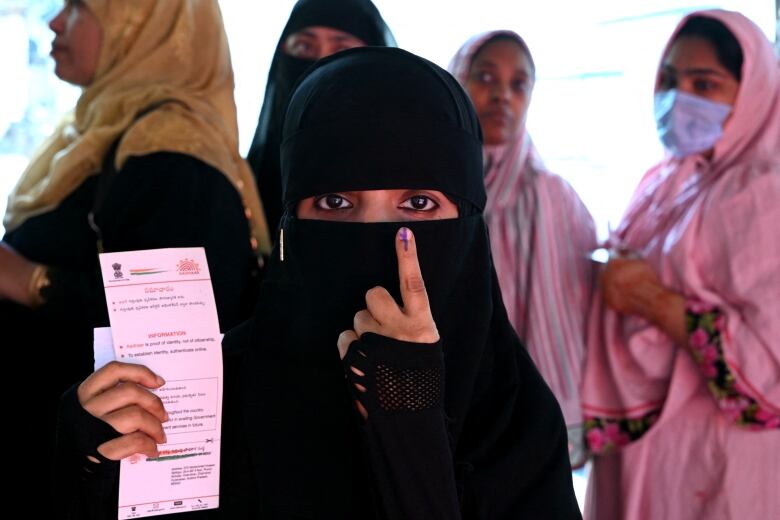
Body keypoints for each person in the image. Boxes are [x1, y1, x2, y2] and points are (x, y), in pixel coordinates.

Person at [57, 47, 582, 519]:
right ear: (291, 225)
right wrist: (88, 464)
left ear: (469, 225)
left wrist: (410, 428)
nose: (376, 238)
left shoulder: (513, 420)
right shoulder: (208, 390)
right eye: (335, 203)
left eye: (419, 204)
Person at [0, 0, 268, 510]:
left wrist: (29, 280)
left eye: (79, 7)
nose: (56, 21)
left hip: (101, 478)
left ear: (142, 26)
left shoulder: (169, 155)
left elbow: (170, 347)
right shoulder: (100, 131)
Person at [581, 10, 779, 519]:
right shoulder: (666, 179)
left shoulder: (764, 191)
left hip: (713, 465)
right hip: (645, 450)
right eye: (668, 80)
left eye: (704, 83)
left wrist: (648, 298)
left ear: (752, 91)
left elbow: (768, 369)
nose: (676, 97)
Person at [449, 31, 597, 466]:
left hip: (520, 416)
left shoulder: (548, 194)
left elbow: (562, 319)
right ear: (458, 80)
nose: (502, 97)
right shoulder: (432, 189)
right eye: (486, 78)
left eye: (518, 84)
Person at [246, 0, 395, 239]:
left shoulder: (402, 177)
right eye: (304, 46)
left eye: (341, 50)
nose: (318, 65)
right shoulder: (240, 182)